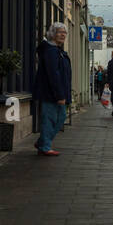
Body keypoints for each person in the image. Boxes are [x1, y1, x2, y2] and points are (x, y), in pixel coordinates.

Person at [32, 23, 71, 156]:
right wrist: (59, 95)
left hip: (56, 92)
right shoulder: (51, 51)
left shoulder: (57, 50)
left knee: (60, 117)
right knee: (51, 119)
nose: (63, 35)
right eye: (60, 32)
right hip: (50, 93)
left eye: (64, 33)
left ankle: (43, 142)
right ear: (53, 34)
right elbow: (53, 74)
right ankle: (45, 146)